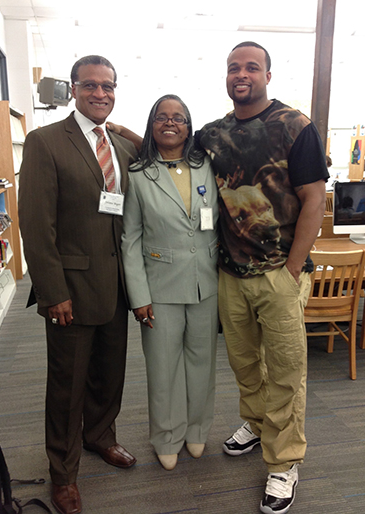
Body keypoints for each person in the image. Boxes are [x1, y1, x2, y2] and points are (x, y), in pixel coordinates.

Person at [196, 42, 329, 514]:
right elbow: (166, 147)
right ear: (226, 76)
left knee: (288, 372)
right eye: (234, 67)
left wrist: (293, 267)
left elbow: (314, 199)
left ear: (268, 74)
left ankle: (284, 462)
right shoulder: (212, 134)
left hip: (279, 274)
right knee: (246, 364)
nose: (242, 74)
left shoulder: (295, 126)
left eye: (252, 66)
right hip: (231, 275)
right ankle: (255, 424)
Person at [18, 55, 138, 514]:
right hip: (70, 288)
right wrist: (53, 292)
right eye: (91, 85)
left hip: (117, 287)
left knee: (110, 374)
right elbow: (35, 224)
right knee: (67, 387)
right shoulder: (46, 142)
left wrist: (128, 132)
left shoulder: (122, 148)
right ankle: (63, 473)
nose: (101, 93)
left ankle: (100, 437)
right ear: (73, 89)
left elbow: (164, 157)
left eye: (109, 86)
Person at [121, 94, 219, 471]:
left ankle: (196, 431)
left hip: (205, 283)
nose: (170, 122)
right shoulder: (138, 175)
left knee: (202, 363)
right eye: (162, 116)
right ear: (151, 125)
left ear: (189, 126)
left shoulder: (207, 166)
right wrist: (138, 296)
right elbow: (130, 240)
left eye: (178, 117)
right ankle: (166, 436)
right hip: (158, 288)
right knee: (163, 368)